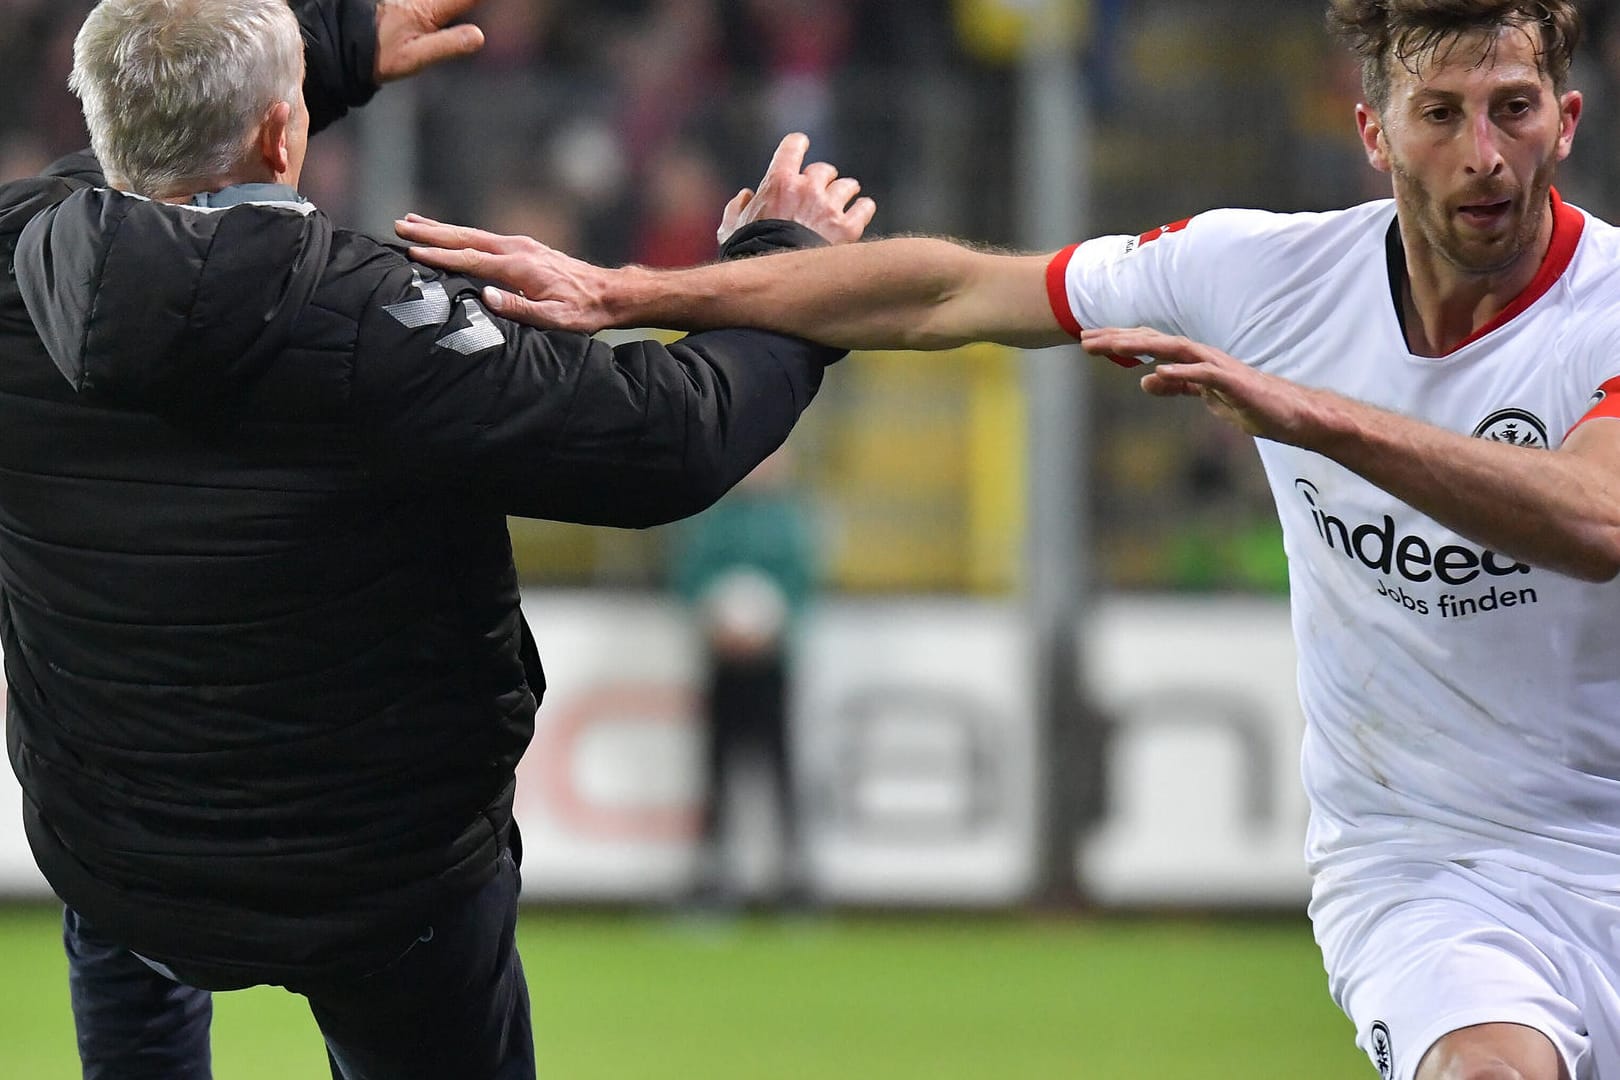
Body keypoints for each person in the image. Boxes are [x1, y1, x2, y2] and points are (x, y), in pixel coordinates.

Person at [399, 2, 1620, 1077]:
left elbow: (1595, 518)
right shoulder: (1264, 279)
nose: (1482, 155)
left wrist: (1321, 418)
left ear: (1565, 120)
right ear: (1373, 131)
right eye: (1440, 112)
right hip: (1429, 869)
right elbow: (944, 295)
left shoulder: (1607, 305)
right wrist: (634, 295)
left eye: (1513, 109)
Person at [0, 2, 875, 1078]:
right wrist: (789, 268)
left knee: (131, 965)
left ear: (95, 116)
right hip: (382, 881)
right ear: (285, 134)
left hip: (117, 848)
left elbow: (141, 148)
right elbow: (669, 440)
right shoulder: (376, 322)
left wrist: (326, 53)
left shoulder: (11, 263)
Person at [672, 447, 818, 909]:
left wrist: (773, 627)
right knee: (718, 767)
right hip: (724, 663)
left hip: (772, 666)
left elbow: (802, 584)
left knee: (778, 765)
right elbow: (690, 576)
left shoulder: (790, 521)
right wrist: (717, 623)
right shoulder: (714, 519)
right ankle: (714, 877)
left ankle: (792, 877)